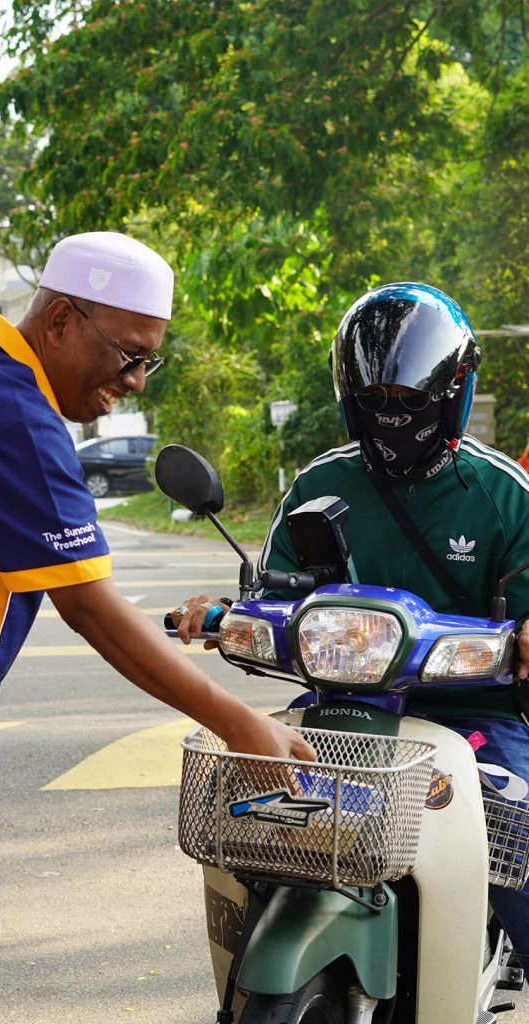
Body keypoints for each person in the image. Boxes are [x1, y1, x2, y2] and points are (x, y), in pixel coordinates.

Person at [0, 231, 315, 1024]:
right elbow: (90, 607)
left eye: (148, 362)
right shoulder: (8, 413)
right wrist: (238, 721)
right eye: (127, 354)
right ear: (60, 320)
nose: (134, 381)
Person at [173, 281, 529, 972]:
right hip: (342, 707)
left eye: (408, 400)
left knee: (518, 850)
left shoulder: (503, 495)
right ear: (347, 398)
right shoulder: (316, 486)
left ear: (450, 389)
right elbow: (272, 591)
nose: (391, 416)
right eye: (374, 402)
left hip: (475, 712)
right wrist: (222, 613)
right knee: (253, 823)